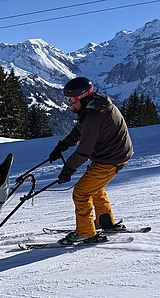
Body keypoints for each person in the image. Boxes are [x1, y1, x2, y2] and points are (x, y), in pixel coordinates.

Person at [48, 77, 133, 244]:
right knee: (94, 188)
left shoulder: (94, 116)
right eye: (66, 100)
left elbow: (84, 151)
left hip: (110, 159)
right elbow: (80, 130)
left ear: (83, 96)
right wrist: (62, 146)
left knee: (81, 193)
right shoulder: (94, 106)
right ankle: (105, 221)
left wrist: (68, 170)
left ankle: (86, 232)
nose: (68, 104)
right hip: (112, 155)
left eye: (71, 100)